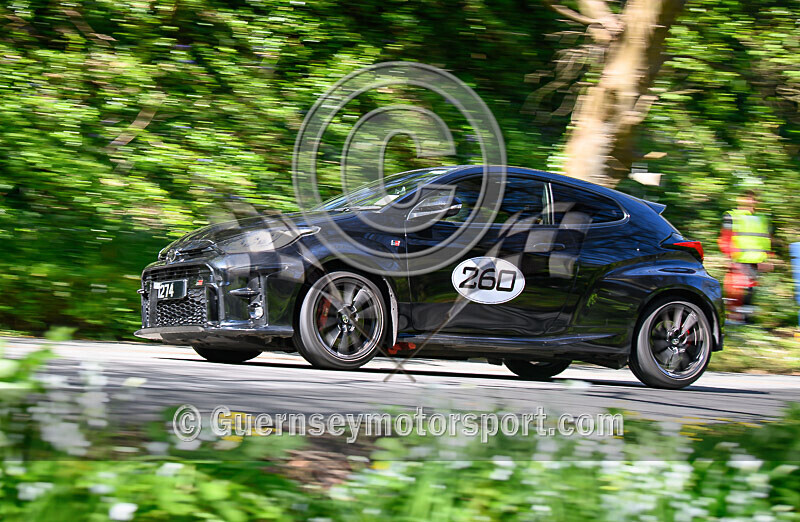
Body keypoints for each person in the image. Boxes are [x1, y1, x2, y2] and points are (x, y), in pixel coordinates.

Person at [718, 189, 773, 323]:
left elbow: (767, 239)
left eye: (752, 198)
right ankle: (732, 320)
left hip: (756, 262)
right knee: (735, 292)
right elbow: (726, 238)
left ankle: (746, 321)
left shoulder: (762, 219)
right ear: (739, 199)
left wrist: (769, 258)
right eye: (746, 198)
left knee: (750, 292)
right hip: (739, 260)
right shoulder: (731, 216)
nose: (750, 201)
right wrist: (731, 258)